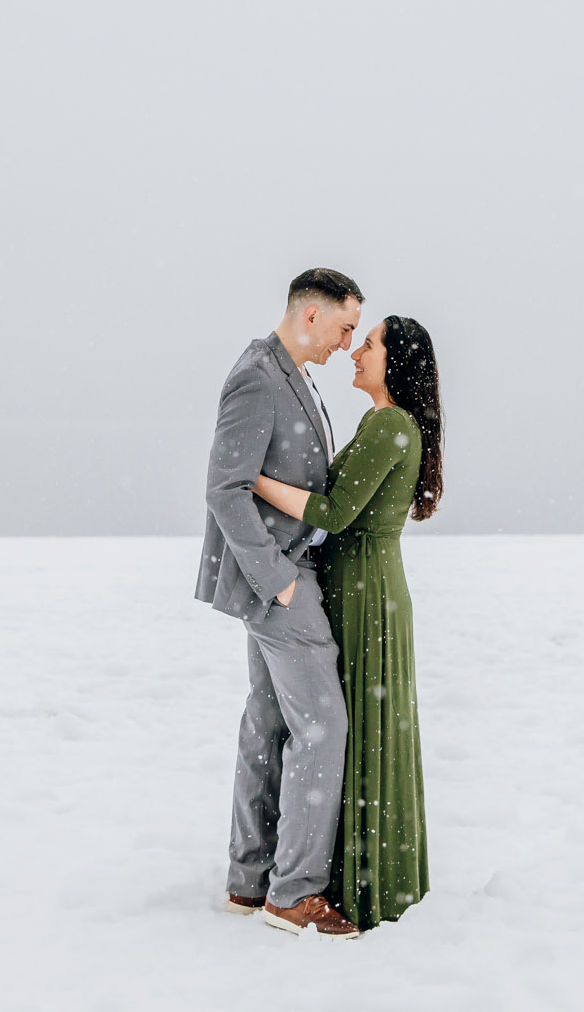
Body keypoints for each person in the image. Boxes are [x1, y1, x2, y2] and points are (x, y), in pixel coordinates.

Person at [252, 314, 442, 931]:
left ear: (397, 361)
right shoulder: (383, 421)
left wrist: (252, 480)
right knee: (352, 723)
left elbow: (333, 513)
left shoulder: (390, 423)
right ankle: (339, 870)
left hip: (366, 590)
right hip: (359, 583)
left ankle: (353, 879)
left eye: (369, 343)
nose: (356, 352)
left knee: (352, 722)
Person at [197, 268, 364, 939]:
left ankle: (249, 878)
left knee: (268, 725)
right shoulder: (257, 378)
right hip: (278, 581)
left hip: (282, 574)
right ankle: (293, 894)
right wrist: (278, 579)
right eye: (345, 327)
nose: (347, 343)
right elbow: (225, 488)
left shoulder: (285, 370)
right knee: (323, 727)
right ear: (312, 315)